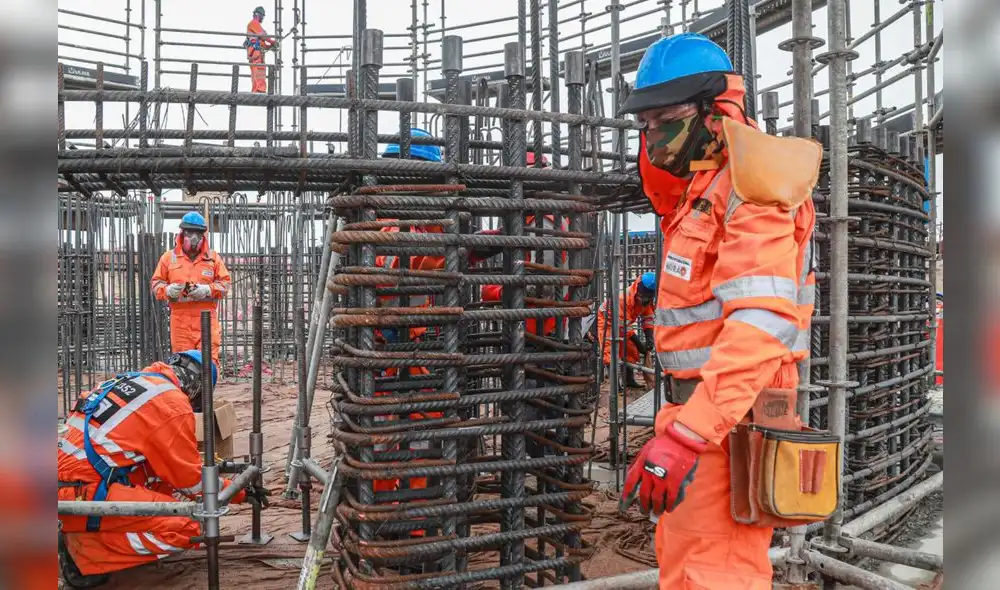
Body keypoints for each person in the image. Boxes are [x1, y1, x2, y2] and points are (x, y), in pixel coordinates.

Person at [616, 33, 820, 589]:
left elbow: (762, 323)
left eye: (664, 119)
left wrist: (689, 434)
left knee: (713, 575)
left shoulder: (753, 189)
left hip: (729, 423)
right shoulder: (703, 190)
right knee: (690, 567)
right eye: (645, 123)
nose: (652, 135)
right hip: (706, 417)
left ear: (715, 112)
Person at [57, 351, 267, 588]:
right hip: (80, 493)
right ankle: (85, 553)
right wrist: (239, 492)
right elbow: (192, 482)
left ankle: (84, 530)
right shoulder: (171, 404)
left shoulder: (130, 382)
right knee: (189, 526)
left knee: (160, 480)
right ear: (199, 388)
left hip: (68, 481)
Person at [150, 211, 231, 364]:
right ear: (182, 233)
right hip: (180, 322)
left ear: (203, 235)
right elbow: (156, 283)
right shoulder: (168, 258)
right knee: (183, 364)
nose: (194, 237)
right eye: (190, 232)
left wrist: (208, 290)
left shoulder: (213, 258)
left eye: (198, 233)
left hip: (206, 319)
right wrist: (167, 290)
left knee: (208, 364)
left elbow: (225, 284)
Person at [596, 272, 656, 389]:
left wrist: (649, 336)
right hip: (607, 321)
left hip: (623, 324)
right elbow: (624, 327)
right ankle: (614, 386)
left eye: (650, 298)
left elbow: (648, 318)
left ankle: (629, 380)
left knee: (630, 350)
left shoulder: (645, 300)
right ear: (639, 292)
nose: (647, 301)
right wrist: (640, 345)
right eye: (646, 298)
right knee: (609, 351)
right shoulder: (623, 299)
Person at [245, 6, 275, 93]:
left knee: (259, 71)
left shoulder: (257, 26)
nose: (263, 18)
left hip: (258, 52)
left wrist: (270, 46)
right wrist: (273, 42)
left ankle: (259, 89)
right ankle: (258, 89)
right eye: (262, 16)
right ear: (258, 15)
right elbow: (263, 36)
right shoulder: (253, 23)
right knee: (257, 70)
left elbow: (262, 42)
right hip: (255, 52)